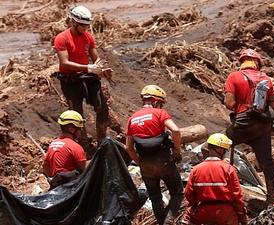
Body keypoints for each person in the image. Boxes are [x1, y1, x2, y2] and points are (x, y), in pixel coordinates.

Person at [224, 48, 274, 206]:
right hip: (262, 126)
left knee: (212, 147)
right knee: (267, 163)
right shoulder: (267, 79)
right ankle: (272, 201)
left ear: (242, 62)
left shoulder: (234, 76)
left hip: (242, 125)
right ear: (257, 63)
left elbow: (229, 103)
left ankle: (220, 185)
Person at [53, 5, 113, 148]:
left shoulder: (88, 37)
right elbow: (65, 62)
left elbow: (95, 59)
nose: (86, 29)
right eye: (83, 26)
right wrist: (88, 67)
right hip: (70, 79)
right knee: (76, 114)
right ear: (74, 22)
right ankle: (84, 143)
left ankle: (101, 140)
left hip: (88, 76)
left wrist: (102, 69)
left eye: (87, 25)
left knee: (102, 109)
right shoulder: (61, 38)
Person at [125, 85, 183, 224]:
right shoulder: (159, 113)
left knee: (155, 197)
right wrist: (176, 150)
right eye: (161, 103)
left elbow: (128, 147)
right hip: (163, 161)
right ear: (156, 101)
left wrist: (139, 162)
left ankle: (161, 221)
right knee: (177, 192)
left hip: (146, 164)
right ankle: (169, 221)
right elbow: (176, 131)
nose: (161, 106)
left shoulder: (132, 119)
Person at [182, 133, 247, 225]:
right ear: (219, 149)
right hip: (225, 213)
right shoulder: (228, 169)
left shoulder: (196, 170)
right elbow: (237, 195)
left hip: (203, 212)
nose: (225, 153)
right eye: (224, 150)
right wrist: (241, 215)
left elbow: (189, 194)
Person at [43, 110, 88, 189]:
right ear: (71, 129)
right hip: (71, 189)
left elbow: (46, 167)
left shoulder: (52, 144)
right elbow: (84, 170)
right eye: (79, 129)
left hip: (56, 187)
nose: (80, 131)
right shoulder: (75, 147)